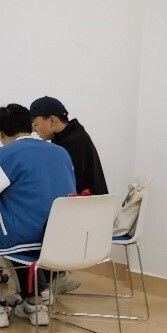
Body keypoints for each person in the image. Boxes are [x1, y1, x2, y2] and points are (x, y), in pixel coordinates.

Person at [0, 104, 75, 328]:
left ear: (0, 133)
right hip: (55, 236)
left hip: (22, 236)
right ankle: (35, 304)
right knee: (26, 234)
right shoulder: (61, 153)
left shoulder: (5, 154)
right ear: (30, 126)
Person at [30, 96, 107, 294]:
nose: (34, 131)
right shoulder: (71, 138)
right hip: (85, 209)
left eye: (36, 124)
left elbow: (64, 185)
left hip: (85, 214)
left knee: (29, 221)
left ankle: (41, 287)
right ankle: (52, 278)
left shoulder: (73, 144)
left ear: (52, 120)